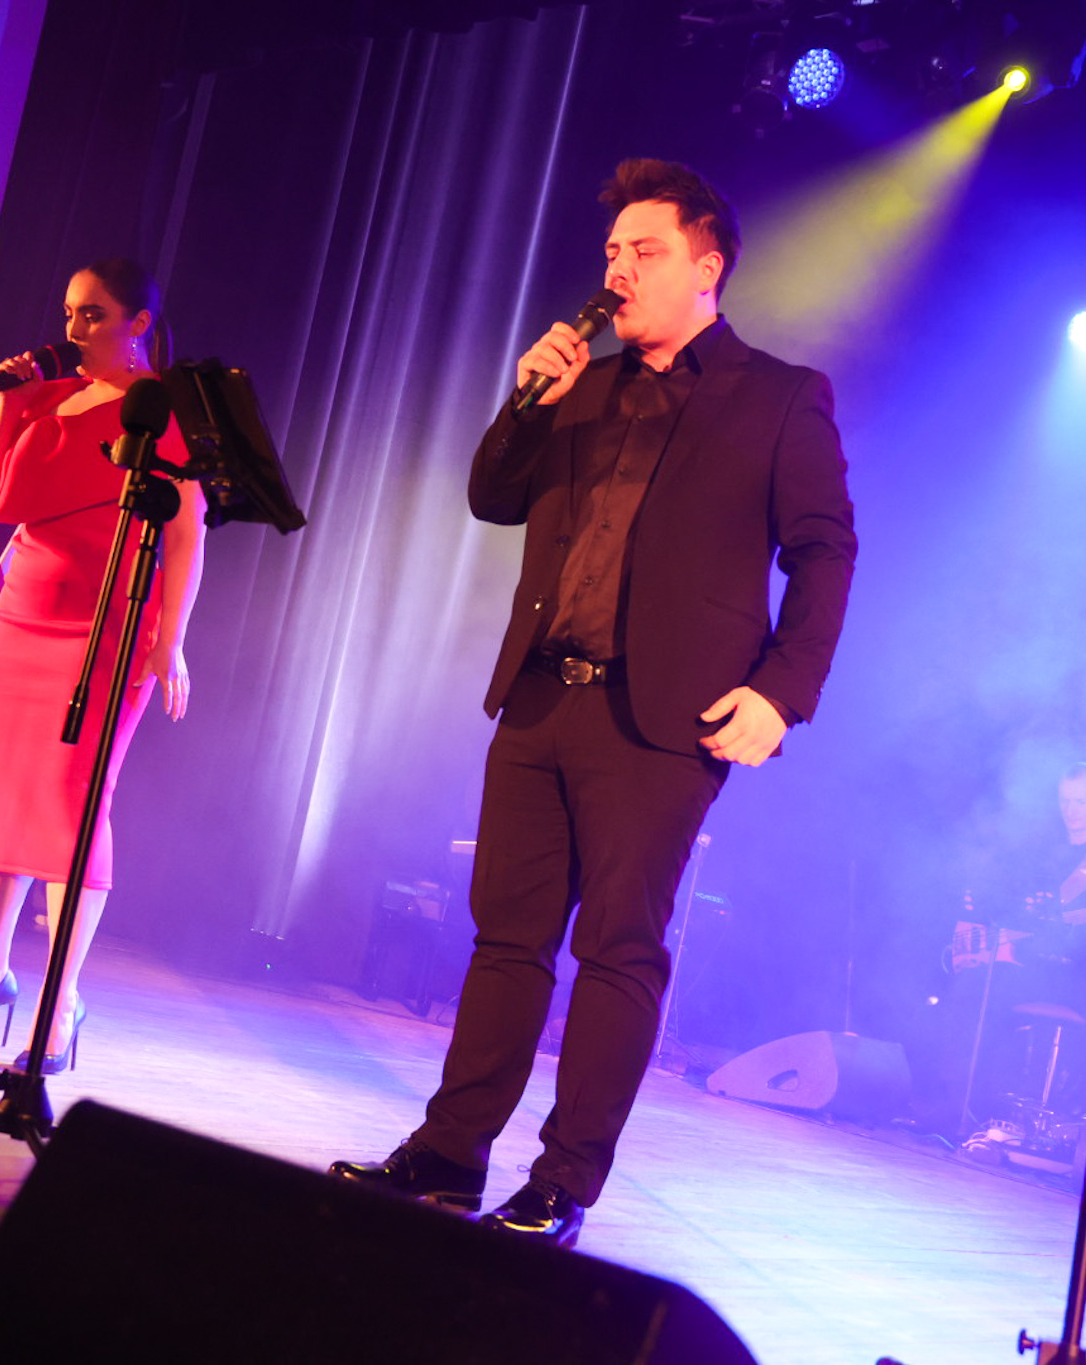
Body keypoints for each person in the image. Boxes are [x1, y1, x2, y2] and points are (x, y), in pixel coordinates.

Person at [329, 158, 856, 1246]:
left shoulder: (777, 396)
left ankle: (561, 1182)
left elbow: (824, 552)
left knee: (619, 949)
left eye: (644, 251)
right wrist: (527, 402)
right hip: (540, 697)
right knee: (504, 938)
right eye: (612, 251)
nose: (617, 269)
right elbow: (492, 496)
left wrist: (782, 692)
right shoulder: (585, 384)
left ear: (706, 269)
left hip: (660, 725)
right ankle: (448, 1154)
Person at [0, 259, 206, 1071]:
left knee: (73, 807)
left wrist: (172, 636)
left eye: (93, 314)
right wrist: (10, 402)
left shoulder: (163, 409)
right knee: (5, 797)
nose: (73, 328)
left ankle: (61, 1002)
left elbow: (187, 532)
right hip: (22, 618)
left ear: (138, 323)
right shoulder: (47, 396)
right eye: (71, 312)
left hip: (106, 627)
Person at [910, 762, 1086, 1148]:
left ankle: (969, 1109)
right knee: (965, 987)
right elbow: (1009, 905)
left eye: (1081, 801)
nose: (1071, 810)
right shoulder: (1044, 851)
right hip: (1024, 961)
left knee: (982, 993)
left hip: (1077, 974)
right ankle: (950, 1104)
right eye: (1064, 801)